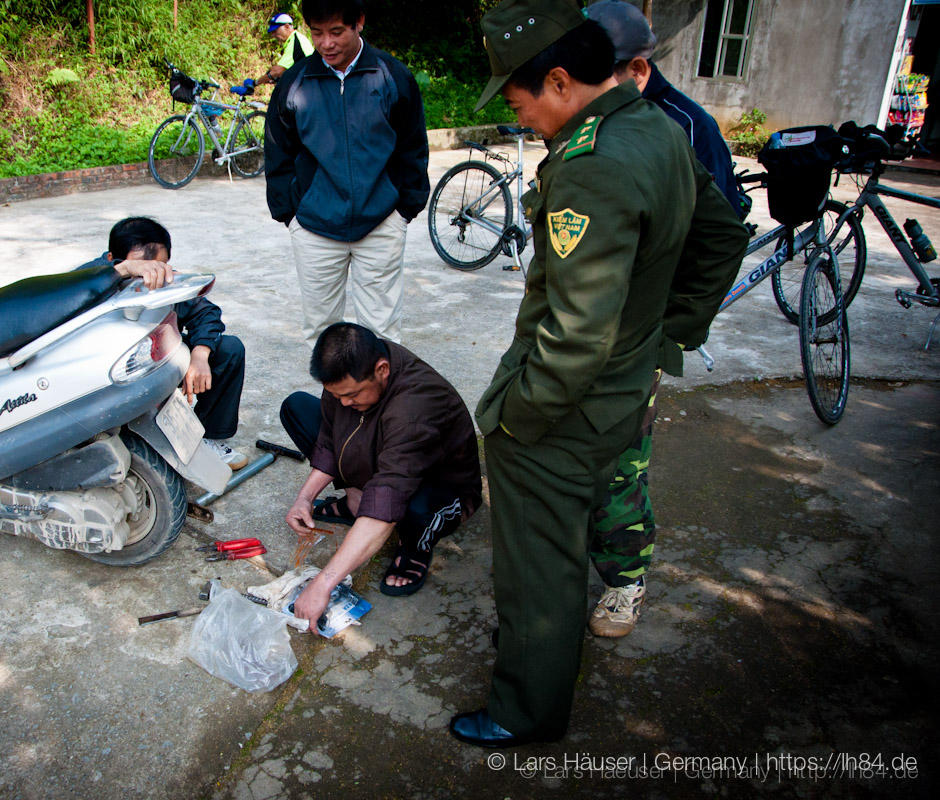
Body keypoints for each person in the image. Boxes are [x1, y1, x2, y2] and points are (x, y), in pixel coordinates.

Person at [449, 0, 748, 748]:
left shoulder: (593, 166)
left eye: (519, 100)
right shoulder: (656, 127)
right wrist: (663, 336)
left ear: (559, 80)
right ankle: (537, 652)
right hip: (623, 389)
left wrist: (517, 418)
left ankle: (525, 710)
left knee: (539, 561)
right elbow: (721, 237)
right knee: (564, 538)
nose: (518, 118)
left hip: (568, 405)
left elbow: (576, 333)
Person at [577, 0, 751, 639]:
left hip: (637, 336)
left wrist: (677, 327)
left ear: (637, 70)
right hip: (583, 328)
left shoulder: (682, 127)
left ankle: (624, 579)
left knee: (621, 460)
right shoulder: (592, 118)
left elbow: (721, 236)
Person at [279, 323, 481, 631]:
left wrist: (322, 584)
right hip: (386, 457)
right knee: (297, 408)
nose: (343, 403)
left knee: (414, 509)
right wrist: (304, 498)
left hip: (441, 485)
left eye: (351, 394)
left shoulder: (415, 407)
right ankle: (357, 501)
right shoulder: (351, 372)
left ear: (382, 370)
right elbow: (330, 438)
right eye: (336, 395)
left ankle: (415, 545)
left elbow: (390, 491)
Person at [263, 0, 430, 342]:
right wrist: (290, 215)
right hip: (314, 228)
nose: (326, 43)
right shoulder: (295, 82)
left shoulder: (392, 76)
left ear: (359, 22)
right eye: (317, 33)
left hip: (381, 223)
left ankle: (381, 383)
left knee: (382, 335)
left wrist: (403, 211)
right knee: (322, 335)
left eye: (337, 32)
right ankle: (329, 386)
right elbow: (278, 152)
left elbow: (412, 147)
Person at [83, 217, 248, 469]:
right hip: (110, 381)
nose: (151, 275)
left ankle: (208, 439)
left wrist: (200, 355)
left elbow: (206, 313)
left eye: (160, 265)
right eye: (142, 267)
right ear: (111, 258)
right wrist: (122, 271)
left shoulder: (164, 278)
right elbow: (59, 293)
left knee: (228, 349)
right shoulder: (88, 282)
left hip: (158, 368)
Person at [587, 0, 746, 218]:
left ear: (637, 70)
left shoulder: (692, 126)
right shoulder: (598, 114)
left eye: (594, 76)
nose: (583, 88)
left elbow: (722, 221)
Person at [255, 13, 315, 86]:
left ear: (287, 26)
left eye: (275, 31)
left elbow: (277, 71)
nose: (273, 35)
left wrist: (255, 83)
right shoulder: (294, 39)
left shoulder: (295, 41)